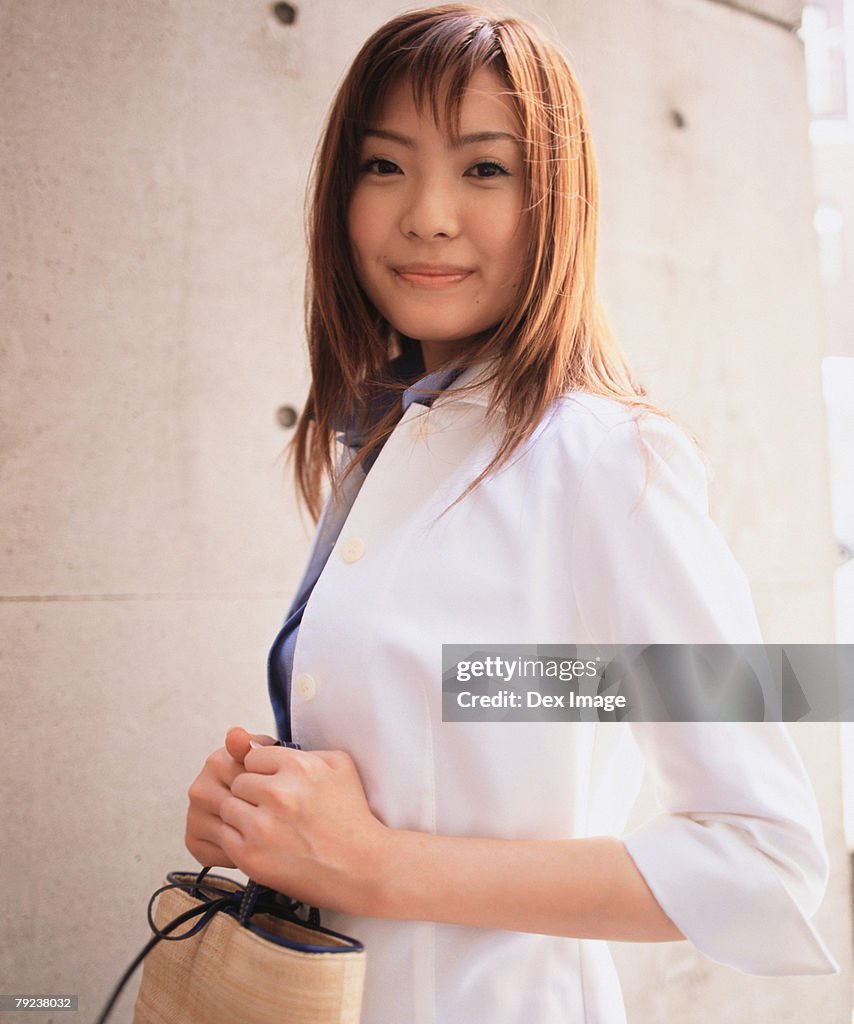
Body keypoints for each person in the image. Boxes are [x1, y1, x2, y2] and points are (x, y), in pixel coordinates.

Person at [185, 5, 837, 1021]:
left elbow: (761, 854)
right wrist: (263, 821)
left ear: (551, 201)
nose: (428, 215)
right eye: (383, 165)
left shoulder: (608, 461)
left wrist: (377, 865)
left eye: (483, 169)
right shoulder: (388, 438)